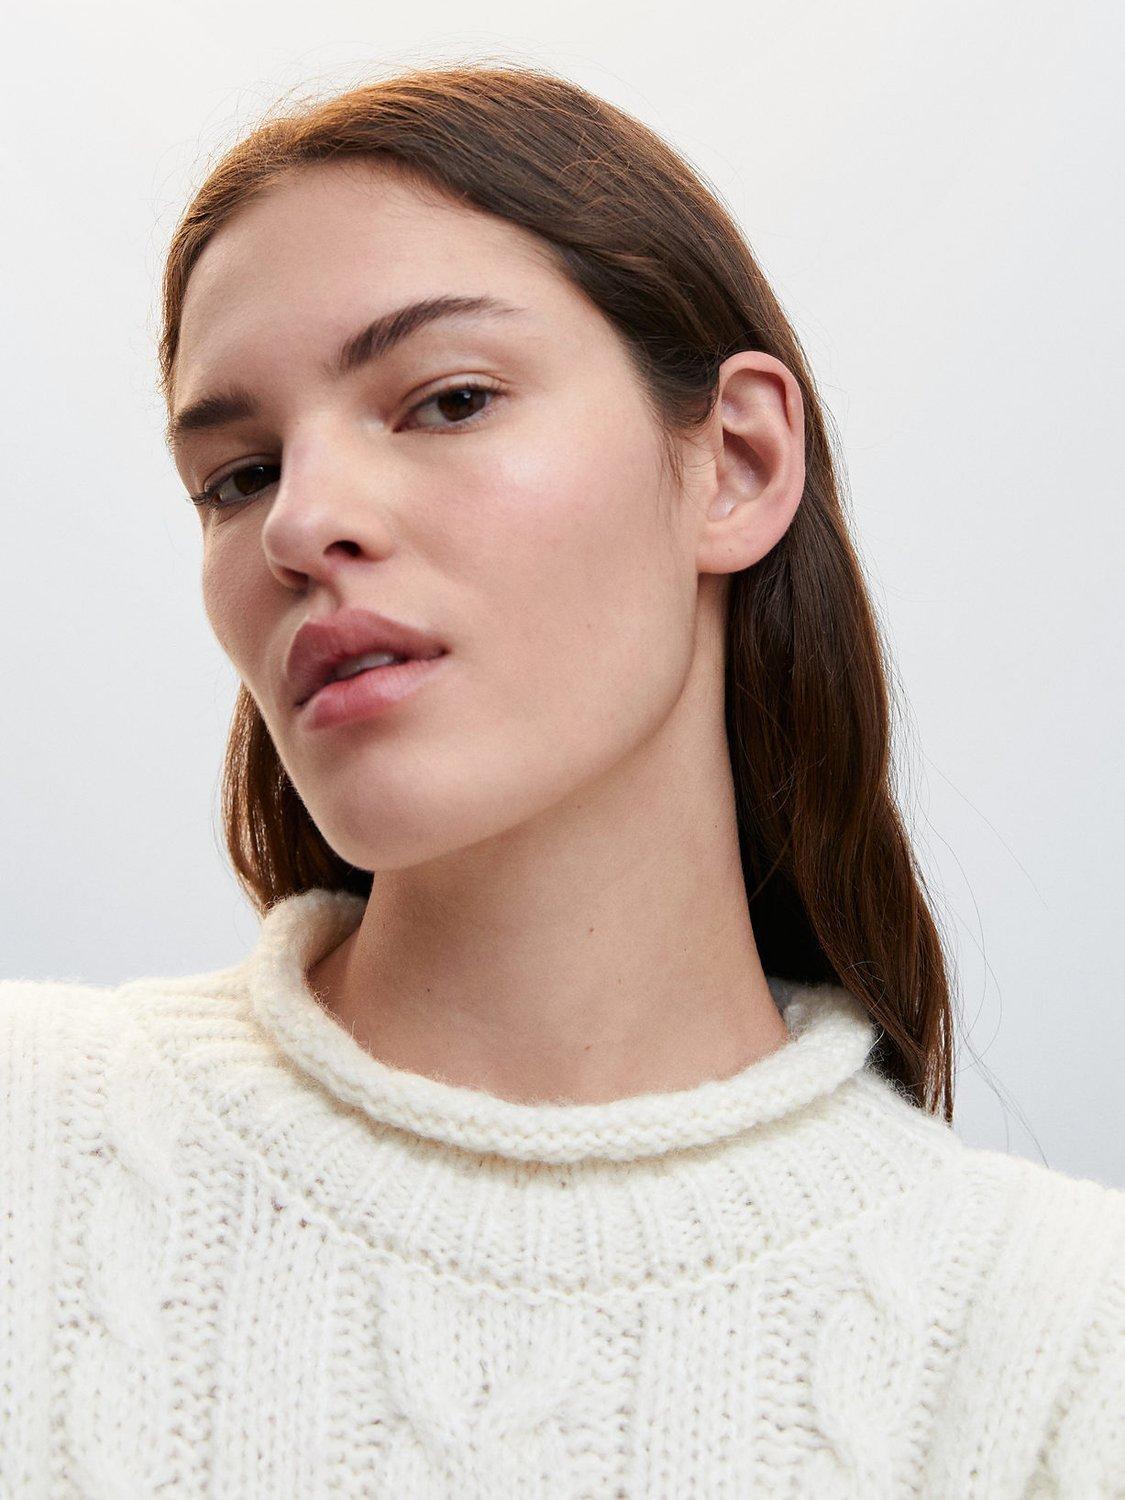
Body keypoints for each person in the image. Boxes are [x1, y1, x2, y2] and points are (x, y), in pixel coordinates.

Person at [3, 61, 1122, 1497]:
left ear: (735, 462)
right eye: (238, 476)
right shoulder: (30, 1144)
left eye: (448, 399)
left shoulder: (1063, 1347)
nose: (301, 521)